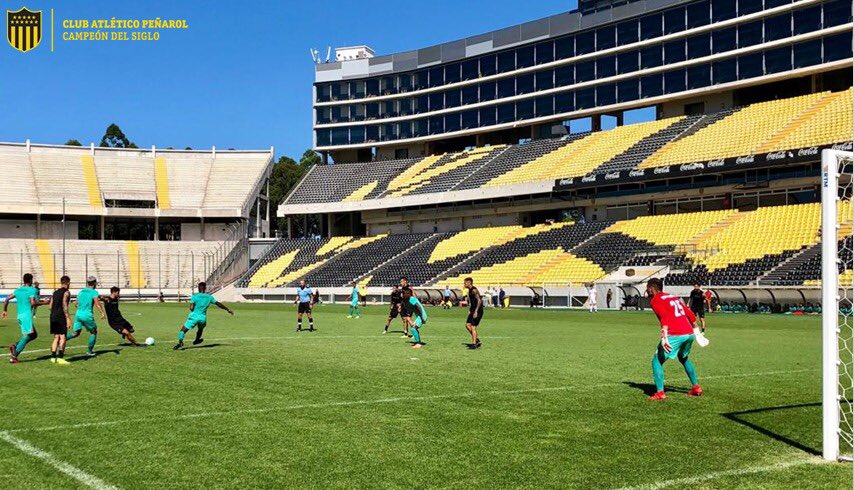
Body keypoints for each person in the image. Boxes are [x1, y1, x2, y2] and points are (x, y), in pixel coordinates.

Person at [646, 278, 703, 400]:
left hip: (675, 334)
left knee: (656, 361)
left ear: (651, 289)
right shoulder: (672, 296)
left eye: (647, 288)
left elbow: (664, 317)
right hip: (688, 333)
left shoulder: (655, 300)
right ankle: (696, 387)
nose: (646, 291)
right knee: (683, 358)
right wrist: (696, 330)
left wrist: (664, 336)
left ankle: (660, 392)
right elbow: (689, 313)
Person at [3, 273, 49, 364]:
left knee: (34, 335)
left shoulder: (18, 290)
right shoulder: (32, 290)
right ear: (31, 280)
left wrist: (5, 310)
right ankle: (14, 356)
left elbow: (7, 299)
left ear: (24, 280)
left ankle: (15, 345)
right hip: (26, 316)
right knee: (27, 336)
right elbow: (33, 303)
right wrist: (45, 303)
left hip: (19, 316)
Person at [173, 282, 233, 350]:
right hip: (202, 318)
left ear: (198, 288)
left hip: (194, 316)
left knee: (183, 330)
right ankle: (197, 340)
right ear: (205, 288)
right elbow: (218, 304)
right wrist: (227, 309)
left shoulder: (195, 296)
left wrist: (194, 306)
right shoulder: (209, 297)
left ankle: (180, 342)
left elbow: (191, 308)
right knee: (200, 329)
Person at [66, 276, 106, 357]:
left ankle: (61, 340)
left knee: (75, 333)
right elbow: (97, 303)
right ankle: (89, 351)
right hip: (87, 315)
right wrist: (102, 312)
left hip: (78, 314)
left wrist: (81, 308)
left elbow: (75, 303)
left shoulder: (81, 291)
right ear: (94, 283)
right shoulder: (94, 292)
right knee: (94, 332)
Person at [48, 276, 72, 364]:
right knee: (63, 337)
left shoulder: (55, 292)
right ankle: (60, 358)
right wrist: (68, 318)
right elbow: (64, 304)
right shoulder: (67, 292)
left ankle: (53, 357)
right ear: (68, 283)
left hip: (53, 316)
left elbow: (50, 306)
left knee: (56, 337)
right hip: (61, 316)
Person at [463, 277, 484, 349]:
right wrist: (470, 310)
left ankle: (474, 344)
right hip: (472, 310)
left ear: (469, 282)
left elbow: (479, 300)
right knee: (467, 325)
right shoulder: (469, 290)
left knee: (473, 327)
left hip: (477, 311)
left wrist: (476, 311)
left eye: (465, 282)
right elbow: (472, 301)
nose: (464, 284)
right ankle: (477, 340)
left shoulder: (474, 290)